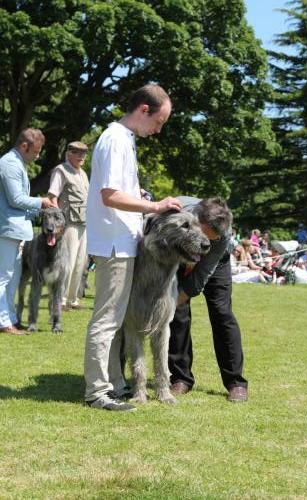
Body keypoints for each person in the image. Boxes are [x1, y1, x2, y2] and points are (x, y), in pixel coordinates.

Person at [84, 83, 182, 412]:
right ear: (143, 109)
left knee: (114, 321)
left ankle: (115, 384)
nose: (158, 130)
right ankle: (97, 392)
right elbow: (109, 195)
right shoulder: (114, 139)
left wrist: (140, 200)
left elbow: (120, 191)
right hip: (113, 244)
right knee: (107, 319)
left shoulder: (124, 140)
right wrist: (155, 208)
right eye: (159, 121)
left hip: (123, 242)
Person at [168, 197, 248, 403]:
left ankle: (235, 383)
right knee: (178, 313)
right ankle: (180, 378)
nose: (206, 242)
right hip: (179, 253)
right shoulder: (175, 212)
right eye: (205, 235)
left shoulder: (222, 235)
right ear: (196, 221)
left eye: (212, 238)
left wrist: (176, 299)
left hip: (215, 262)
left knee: (222, 313)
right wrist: (172, 302)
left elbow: (200, 276)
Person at [0, 128, 54, 335]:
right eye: (36, 151)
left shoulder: (17, 163)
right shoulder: (9, 163)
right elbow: (15, 199)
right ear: (24, 146)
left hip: (15, 230)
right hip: (7, 230)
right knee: (3, 276)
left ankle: (11, 319)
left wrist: (39, 208)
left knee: (12, 277)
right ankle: (4, 322)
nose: (38, 155)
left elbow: (18, 203)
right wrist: (41, 202)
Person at [48, 141, 89, 310]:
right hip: (68, 224)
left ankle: (72, 299)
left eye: (84, 153)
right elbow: (52, 198)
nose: (81, 156)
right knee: (67, 263)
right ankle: (60, 300)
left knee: (80, 263)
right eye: (77, 152)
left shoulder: (83, 173)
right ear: (68, 153)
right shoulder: (61, 170)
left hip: (83, 224)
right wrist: (58, 223)